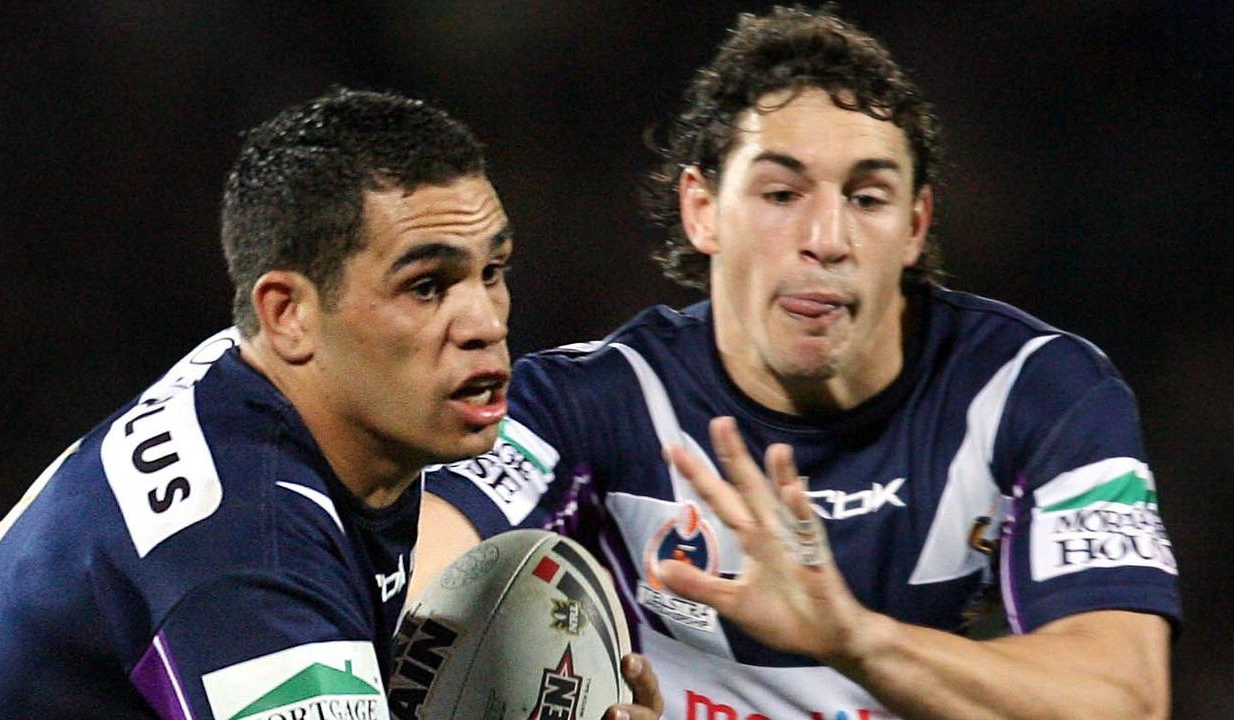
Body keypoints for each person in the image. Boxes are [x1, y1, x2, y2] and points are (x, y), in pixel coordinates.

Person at [416, 7, 1180, 720]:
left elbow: (1124, 696)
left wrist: (851, 636)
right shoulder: (589, 401)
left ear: (916, 225)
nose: (827, 237)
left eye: (869, 198)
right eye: (782, 192)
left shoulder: (1036, 392)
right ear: (702, 209)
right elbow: (421, 594)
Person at [0, 89, 661, 720]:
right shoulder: (249, 559)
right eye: (426, 285)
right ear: (288, 313)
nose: (486, 321)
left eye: (492, 272)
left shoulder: (259, 397)